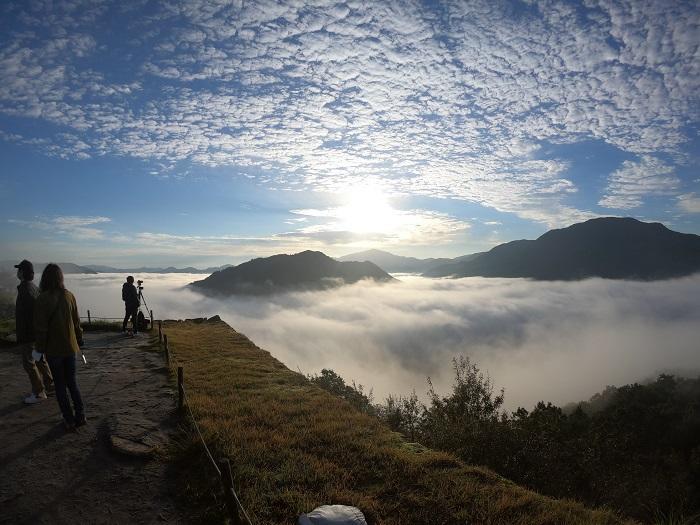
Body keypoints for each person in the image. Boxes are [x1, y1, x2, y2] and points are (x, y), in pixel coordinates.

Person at [34, 263, 86, 430]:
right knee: (72, 383)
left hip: (54, 349)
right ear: (60, 277)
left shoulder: (42, 299)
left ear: (45, 278)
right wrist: (79, 339)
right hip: (70, 348)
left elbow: (41, 328)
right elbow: (77, 322)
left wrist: (39, 349)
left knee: (60, 386)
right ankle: (81, 416)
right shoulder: (69, 295)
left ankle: (69, 419)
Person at [15, 259, 54, 404]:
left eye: (19, 270)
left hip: (28, 335)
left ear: (23, 273)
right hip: (36, 334)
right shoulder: (34, 288)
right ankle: (50, 386)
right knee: (39, 359)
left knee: (29, 363)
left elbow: (30, 314)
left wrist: (24, 334)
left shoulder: (25, 290)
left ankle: (39, 392)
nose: (17, 272)